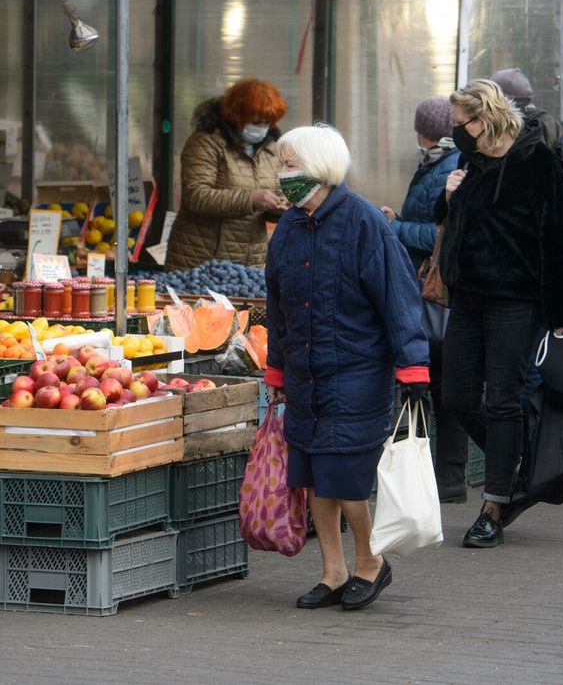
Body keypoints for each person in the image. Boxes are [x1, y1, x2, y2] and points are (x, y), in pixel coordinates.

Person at [264, 124, 430, 611]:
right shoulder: (289, 229)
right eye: (281, 164)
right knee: (314, 474)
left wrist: (413, 368)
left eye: (289, 165)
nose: (282, 174)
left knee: (347, 478)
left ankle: (370, 563)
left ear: (319, 168)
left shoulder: (364, 222)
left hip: (356, 372)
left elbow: (399, 300)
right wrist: (276, 372)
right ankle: (333, 571)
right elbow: (278, 307)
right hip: (304, 375)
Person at [438, 80, 563, 548]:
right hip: (467, 298)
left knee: (502, 399)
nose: (456, 131)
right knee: (456, 395)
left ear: (485, 118)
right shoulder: (469, 160)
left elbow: (559, 241)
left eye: (461, 123)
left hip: (516, 301)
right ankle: (517, 461)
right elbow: (459, 225)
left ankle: (494, 505)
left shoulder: (540, 162)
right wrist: (449, 198)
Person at [379, 96, 471, 503]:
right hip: (430, 287)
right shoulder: (437, 164)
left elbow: (439, 234)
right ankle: (443, 478)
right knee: (439, 384)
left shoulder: (449, 168)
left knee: (437, 381)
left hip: (436, 291)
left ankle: (445, 478)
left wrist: (396, 228)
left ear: (426, 132)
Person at [165, 79, 291, 270]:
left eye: (267, 123)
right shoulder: (206, 143)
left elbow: (276, 192)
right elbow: (196, 195)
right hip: (201, 259)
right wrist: (251, 199)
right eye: (255, 122)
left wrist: (278, 208)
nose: (262, 128)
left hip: (250, 262)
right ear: (237, 115)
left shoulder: (272, 150)